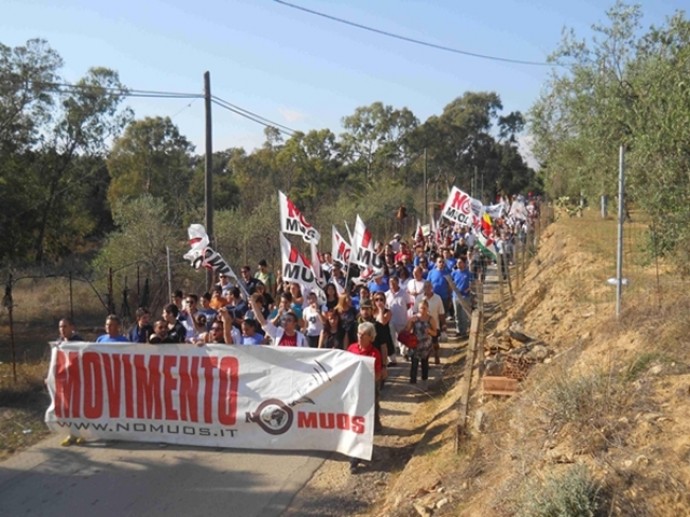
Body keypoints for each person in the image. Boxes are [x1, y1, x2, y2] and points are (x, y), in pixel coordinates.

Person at [347, 321, 383, 473]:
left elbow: (378, 375)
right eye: (358, 334)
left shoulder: (375, 354)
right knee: (353, 423)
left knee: (365, 424)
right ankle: (355, 455)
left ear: (370, 337)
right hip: (352, 393)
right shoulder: (351, 349)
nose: (359, 337)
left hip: (368, 393)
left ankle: (358, 456)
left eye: (363, 335)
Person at [405, 299, 437, 385]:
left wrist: (430, 331)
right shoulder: (415, 318)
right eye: (420, 308)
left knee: (424, 363)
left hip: (425, 345)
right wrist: (410, 321)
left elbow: (435, 333)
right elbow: (407, 330)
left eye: (424, 308)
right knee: (414, 364)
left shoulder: (431, 319)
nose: (422, 310)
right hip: (415, 344)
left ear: (427, 308)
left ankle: (424, 381)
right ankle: (413, 382)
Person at [414, 281, 445, 365]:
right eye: (425, 287)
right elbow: (415, 312)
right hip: (422, 326)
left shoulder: (438, 298)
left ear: (432, 288)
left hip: (434, 325)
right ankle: (425, 361)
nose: (427, 289)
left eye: (429, 287)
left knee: (435, 343)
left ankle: (436, 356)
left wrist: (444, 325)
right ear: (423, 288)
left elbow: (441, 313)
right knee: (424, 345)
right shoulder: (418, 298)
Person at [451, 258, 472, 338]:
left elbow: (472, 283)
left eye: (460, 262)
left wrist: (467, 290)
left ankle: (464, 331)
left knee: (464, 315)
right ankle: (458, 330)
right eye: (457, 263)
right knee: (457, 314)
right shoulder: (454, 273)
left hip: (465, 297)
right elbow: (451, 283)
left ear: (464, 263)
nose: (458, 264)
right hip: (455, 296)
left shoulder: (468, 273)